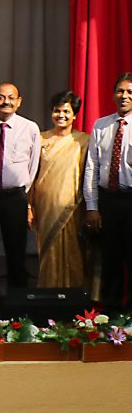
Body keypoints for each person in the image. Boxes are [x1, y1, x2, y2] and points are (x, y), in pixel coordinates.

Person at [0, 82, 41, 295]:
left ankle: (18, 305)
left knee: (16, 254)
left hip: (16, 198)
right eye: (1, 97)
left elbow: (33, 166)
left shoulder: (30, 128)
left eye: (11, 97)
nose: (6, 102)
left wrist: (27, 201)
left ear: (19, 101)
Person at [30, 91, 92, 290]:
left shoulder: (83, 141)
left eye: (66, 111)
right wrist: (29, 206)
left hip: (72, 207)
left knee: (72, 250)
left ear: (74, 115)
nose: (61, 115)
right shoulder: (41, 139)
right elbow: (32, 175)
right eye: (57, 111)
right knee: (47, 250)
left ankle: (73, 297)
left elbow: (89, 176)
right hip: (44, 206)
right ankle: (47, 294)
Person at [83, 72, 132, 313]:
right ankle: (111, 314)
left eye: (130, 92)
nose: (124, 96)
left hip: (130, 199)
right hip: (107, 201)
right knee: (110, 259)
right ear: (113, 95)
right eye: (120, 91)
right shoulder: (100, 125)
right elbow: (91, 166)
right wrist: (92, 207)